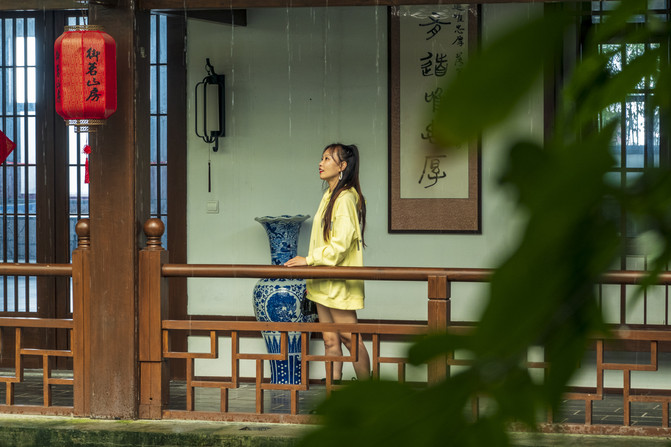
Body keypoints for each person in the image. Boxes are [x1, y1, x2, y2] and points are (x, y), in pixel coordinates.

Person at [284, 143, 371, 382]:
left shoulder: (345, 198)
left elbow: (340, 246)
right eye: (321, 158)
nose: (320, 163)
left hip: (338, 280)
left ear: (342, 166)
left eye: (327, 159)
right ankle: (333, 392)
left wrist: (308, 260)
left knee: (349, 338)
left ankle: (369, 393)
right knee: (330, 339)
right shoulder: (329, 195)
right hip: (322, 278)